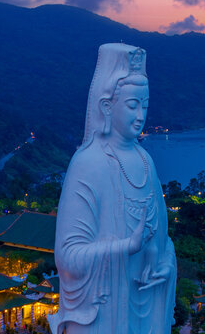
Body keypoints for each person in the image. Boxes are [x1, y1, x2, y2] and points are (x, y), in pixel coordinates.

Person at [48, 43, 176, 333]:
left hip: (144, 305)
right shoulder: (87, 163)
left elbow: (163, 242)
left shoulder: (146, 161)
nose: (141, 115)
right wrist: (125, 247)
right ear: (107, 106)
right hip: (102, 312)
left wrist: (164, 266)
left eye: (145, 105)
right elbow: (67, 256)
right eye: (132, 105)